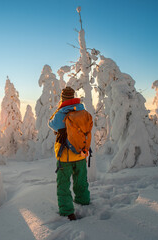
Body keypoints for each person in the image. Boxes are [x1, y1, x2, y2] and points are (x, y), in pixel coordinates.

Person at [48, 86, 90, 221]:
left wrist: (58, 109)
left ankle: (67, 211)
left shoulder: (61, 113)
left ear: (63, 98)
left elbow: (52, 124)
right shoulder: (82, 110)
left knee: (63, 184)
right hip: (80, 153)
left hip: (65, 156)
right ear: (73, 96)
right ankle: (83, 201)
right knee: (81, 181)